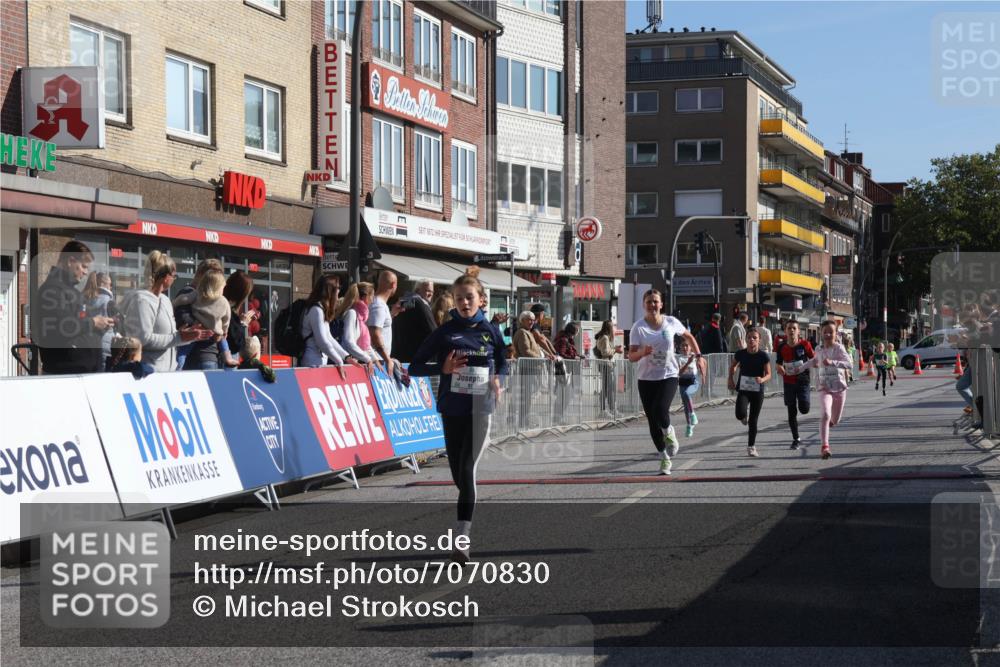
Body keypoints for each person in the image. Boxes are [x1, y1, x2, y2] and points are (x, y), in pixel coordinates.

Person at [409, 272, 507, 565]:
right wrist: (443, 368)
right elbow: (414, 366)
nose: (464, 303)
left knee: (466, 470)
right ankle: (466, 516)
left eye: (469, 298)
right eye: (459, 298)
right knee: (458, 475)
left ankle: (461, 542)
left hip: (480, 409)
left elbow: (503, 362)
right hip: (452, 409)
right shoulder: (445, 332)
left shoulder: (491, 331)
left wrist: (498, 381)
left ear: (481, 300)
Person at [628, 289, 702, 475]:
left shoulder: (670, 322)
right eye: (649, 302)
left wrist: (698, 355)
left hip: (669, 374)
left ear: (661, 304)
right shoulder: (638, 327)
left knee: (660, 410)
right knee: (652, 421)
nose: (652, 305)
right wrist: (642, 352)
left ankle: (669, 432)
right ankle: (664, 458)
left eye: (655, 301)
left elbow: (689, 337)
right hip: (646, 378)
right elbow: (631, 356)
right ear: (644, 305)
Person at [119, 251, 211, 372]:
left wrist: (188, 335)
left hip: (168, 372)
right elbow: (142, 339)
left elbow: (170, 337)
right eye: (174, 276)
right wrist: (179, 337)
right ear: (166, 277)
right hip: (147, 373)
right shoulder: (141, 300)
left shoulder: (165, 300)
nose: (174, 279)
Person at [33, 241, 114, 375]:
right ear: (70, 261)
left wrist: (100, 327)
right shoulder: (52, 291)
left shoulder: (71, 291)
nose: (86, 272)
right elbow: (61, 326)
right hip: (65, 375)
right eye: (83, 266)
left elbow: (78, 326)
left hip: (80, 373)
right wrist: (93, 322)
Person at [802, 320, 853, 460]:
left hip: (839, 388)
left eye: (831, 332)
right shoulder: (818, 349)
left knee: (835, 420)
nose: (828, 334)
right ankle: (825, 447)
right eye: (825, 332)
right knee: (825, 414)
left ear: (836, 334)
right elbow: (814, 361)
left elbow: (849, 364)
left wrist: (833, 363)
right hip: (824, 387)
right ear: (821, 333)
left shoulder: (839, 348)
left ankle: (830, 423)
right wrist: (798, 368)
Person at [174, 270, 239, 370]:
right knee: (223, 342)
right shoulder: (223, 301)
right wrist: (225, 331)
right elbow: (226, 319)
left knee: (182, 351)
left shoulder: (198, 294)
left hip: (196, 331)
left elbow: (184, 299)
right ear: (219, 287)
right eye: (223, 287)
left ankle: (177, 367)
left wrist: (174, 303)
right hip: (214, 333)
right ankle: (228, 358)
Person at [299, 275, 360, 375]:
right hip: (311, 363)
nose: (339, 291)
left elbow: (329, 338)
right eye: (338, 288)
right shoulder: (316, 310)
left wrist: (346, 357)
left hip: (318, 361)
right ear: (330, 290)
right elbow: (322, 342)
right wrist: (339, 361)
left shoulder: (321, 309)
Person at [727, 327, 772, 457]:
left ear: (759, 340)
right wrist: (730, 378)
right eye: (749, 338)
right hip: (744, 389)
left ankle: (751, 446)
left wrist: (762, 379)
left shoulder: (763, 356)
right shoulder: (741, 354)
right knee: (739, 414)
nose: (751, 340)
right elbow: (733, 366)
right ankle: (743, 416)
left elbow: (769, 374)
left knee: (753, 420)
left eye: (754, 338)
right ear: (746, 339)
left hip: (757, 391)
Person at [172, 259, 224, 369]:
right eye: (211, 277)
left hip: (209, 354)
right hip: (197, 355)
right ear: (200, 274)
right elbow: (183, 319)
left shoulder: (213, 296)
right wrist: (209, 326)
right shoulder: (189, 292)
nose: (214, 281)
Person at [775, 320, 814, 450]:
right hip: (788, 382)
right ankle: (796, 439)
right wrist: (779, 367)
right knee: (791, 412)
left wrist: (814, 364)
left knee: (804, 409)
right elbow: (778, 363)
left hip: (803, 381)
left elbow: (814, 359)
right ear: (785, 331)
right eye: (789, 328)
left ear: (798, 331)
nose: (791, 330)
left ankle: (804, 403)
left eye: (794, 328)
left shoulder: (805, 344)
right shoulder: (781, 347)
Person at [333, 281, 379, 373]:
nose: (373, 299)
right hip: (343, 362)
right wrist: (367, 359)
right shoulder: (352, 313)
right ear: (365, 297)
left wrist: (375, 360)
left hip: (350, 362)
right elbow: (349, 342)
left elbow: (366, 345)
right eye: (372, 296)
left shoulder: (360, 317)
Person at [392, 280, 437, 363]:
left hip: (399, 355)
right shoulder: (420, 303)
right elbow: (433, 331)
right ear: (417, 290)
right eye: (427, 291)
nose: (430, 294)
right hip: (416, 357)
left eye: (432, 292)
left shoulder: (404, 301)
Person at [82, 271, 115, 371]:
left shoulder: (86, 298)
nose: (111, 287)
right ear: (102, 283)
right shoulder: (108, 301)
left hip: (88, 342)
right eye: (110, 284)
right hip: (105, 342)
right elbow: (113, 322)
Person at [368, 270, 398, 377]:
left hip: (378, 360)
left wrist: (392, 314)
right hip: (376, 362)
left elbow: (380, 327)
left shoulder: (379, 304)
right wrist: (387, 359)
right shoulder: (378, 305)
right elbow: (375, 334)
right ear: (393, 285)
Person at [223, 270, 255, 365]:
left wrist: (239, 322)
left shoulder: (223, 305)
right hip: (224, 361)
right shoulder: (227, 309)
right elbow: (235, 344)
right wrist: (242, 324)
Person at [677, 338, 707, 438]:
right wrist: (687, 363)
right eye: (683, 346)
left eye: (687, 345)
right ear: (680, 348)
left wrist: (703, 375)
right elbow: (679, 373)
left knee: (687, 393)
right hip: (682, 383)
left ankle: (693, 414)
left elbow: (704, 362)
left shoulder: (694, 357)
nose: (685, 348)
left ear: (691, 348)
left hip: (693, 382)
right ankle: (689, 426)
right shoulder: (679, 359)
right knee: (686, 406)